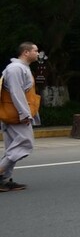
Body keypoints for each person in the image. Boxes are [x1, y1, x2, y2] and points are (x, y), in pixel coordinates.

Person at [0, 42, 41, 191]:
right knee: (25, 144)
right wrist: (24, 114)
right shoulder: (16, 69)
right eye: (35, 51)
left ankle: (4, 179)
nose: (38, 53)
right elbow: (16, 93)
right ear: (26, 52)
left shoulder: (22, 68)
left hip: (15, 113)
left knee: (13, 148)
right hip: (16, 115)